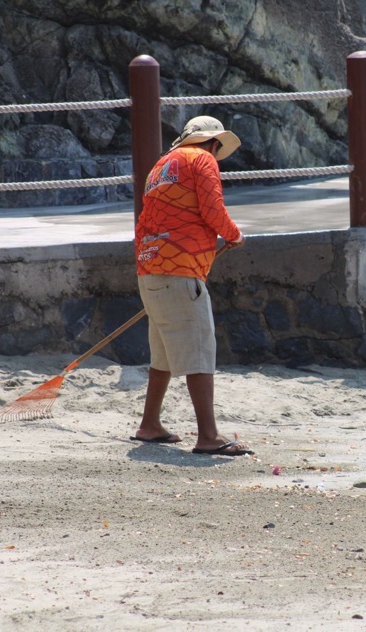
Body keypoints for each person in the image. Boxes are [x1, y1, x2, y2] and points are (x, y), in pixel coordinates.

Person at [130, 115, 253, 457]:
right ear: (213, 142)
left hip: (150, 268)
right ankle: (209, 436)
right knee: (199, 348)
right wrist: (235, 235)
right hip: (180, 271)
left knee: (164, 352)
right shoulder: (202, 160)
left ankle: (150, 424)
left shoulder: (161, 165)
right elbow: (214, 212)